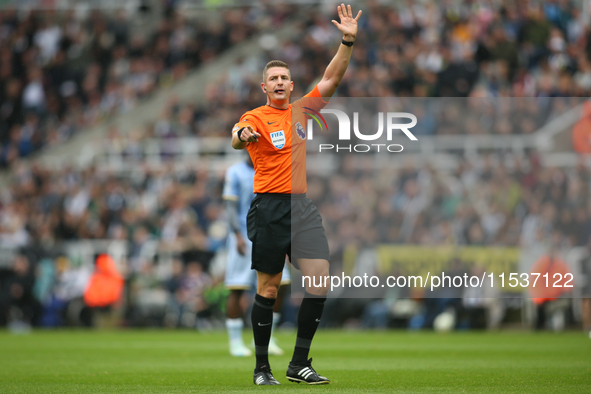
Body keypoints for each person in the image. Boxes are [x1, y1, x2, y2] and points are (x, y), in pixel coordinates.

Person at [231, 3, 362, 385]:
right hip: (269, 207)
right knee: (269, 288)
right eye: (272, 77)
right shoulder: (255, 116)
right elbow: (236, 137)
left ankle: (298, 363)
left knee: (320, 279)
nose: (279, 82)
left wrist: (347, 40)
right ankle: (261, 369)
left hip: (301, 206)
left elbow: (332, 78)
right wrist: (243, 136)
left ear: (291, 85)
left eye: (284, 77)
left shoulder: (303, 109)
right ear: (264, 86)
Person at [223, 154, 291, 357]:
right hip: (243, 235)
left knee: (282, 284)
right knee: (237, 287)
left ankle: (265, 337)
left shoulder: (272, 168)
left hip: (270, 234)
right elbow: (230, 207)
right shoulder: (235, 172)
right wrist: (236, 234)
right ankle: (235, 341)